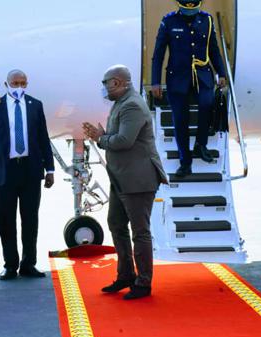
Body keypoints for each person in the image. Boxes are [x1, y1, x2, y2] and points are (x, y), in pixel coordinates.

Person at [83, 65, 168, 300]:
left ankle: (143, 283)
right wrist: (101, 135)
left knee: (140, 232)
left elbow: (123, 140)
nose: (104, 88)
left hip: (138, 178)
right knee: (116, 223)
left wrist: (101, 138)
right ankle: (126, 275)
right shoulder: (120, 102)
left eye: (106, 83)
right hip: (122, 177)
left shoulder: (132, 105)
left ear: (118, 82)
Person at [0, 70, 55, 281]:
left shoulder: (35, 105)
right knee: (7, 219)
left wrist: (50, 169)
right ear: (6, 84)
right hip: (5, 171)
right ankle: (10, 264)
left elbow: (43, 138)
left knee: (30, 219)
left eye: (23, 83)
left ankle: (28, 263)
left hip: (30, 170)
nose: (19, 87)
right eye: (15, 83)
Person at [151, 0, 226, 177]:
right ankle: (185, 162)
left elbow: (213, 49)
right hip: (177, 76)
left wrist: (221, 72)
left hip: (202, 74)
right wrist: (155, 82)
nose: (191, 13)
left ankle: (201, 144)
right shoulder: (168, 21)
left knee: (207, 104)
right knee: (180, 119)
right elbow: (159, 53)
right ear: (179, 5)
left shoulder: (207, 20)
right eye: (187, 10)